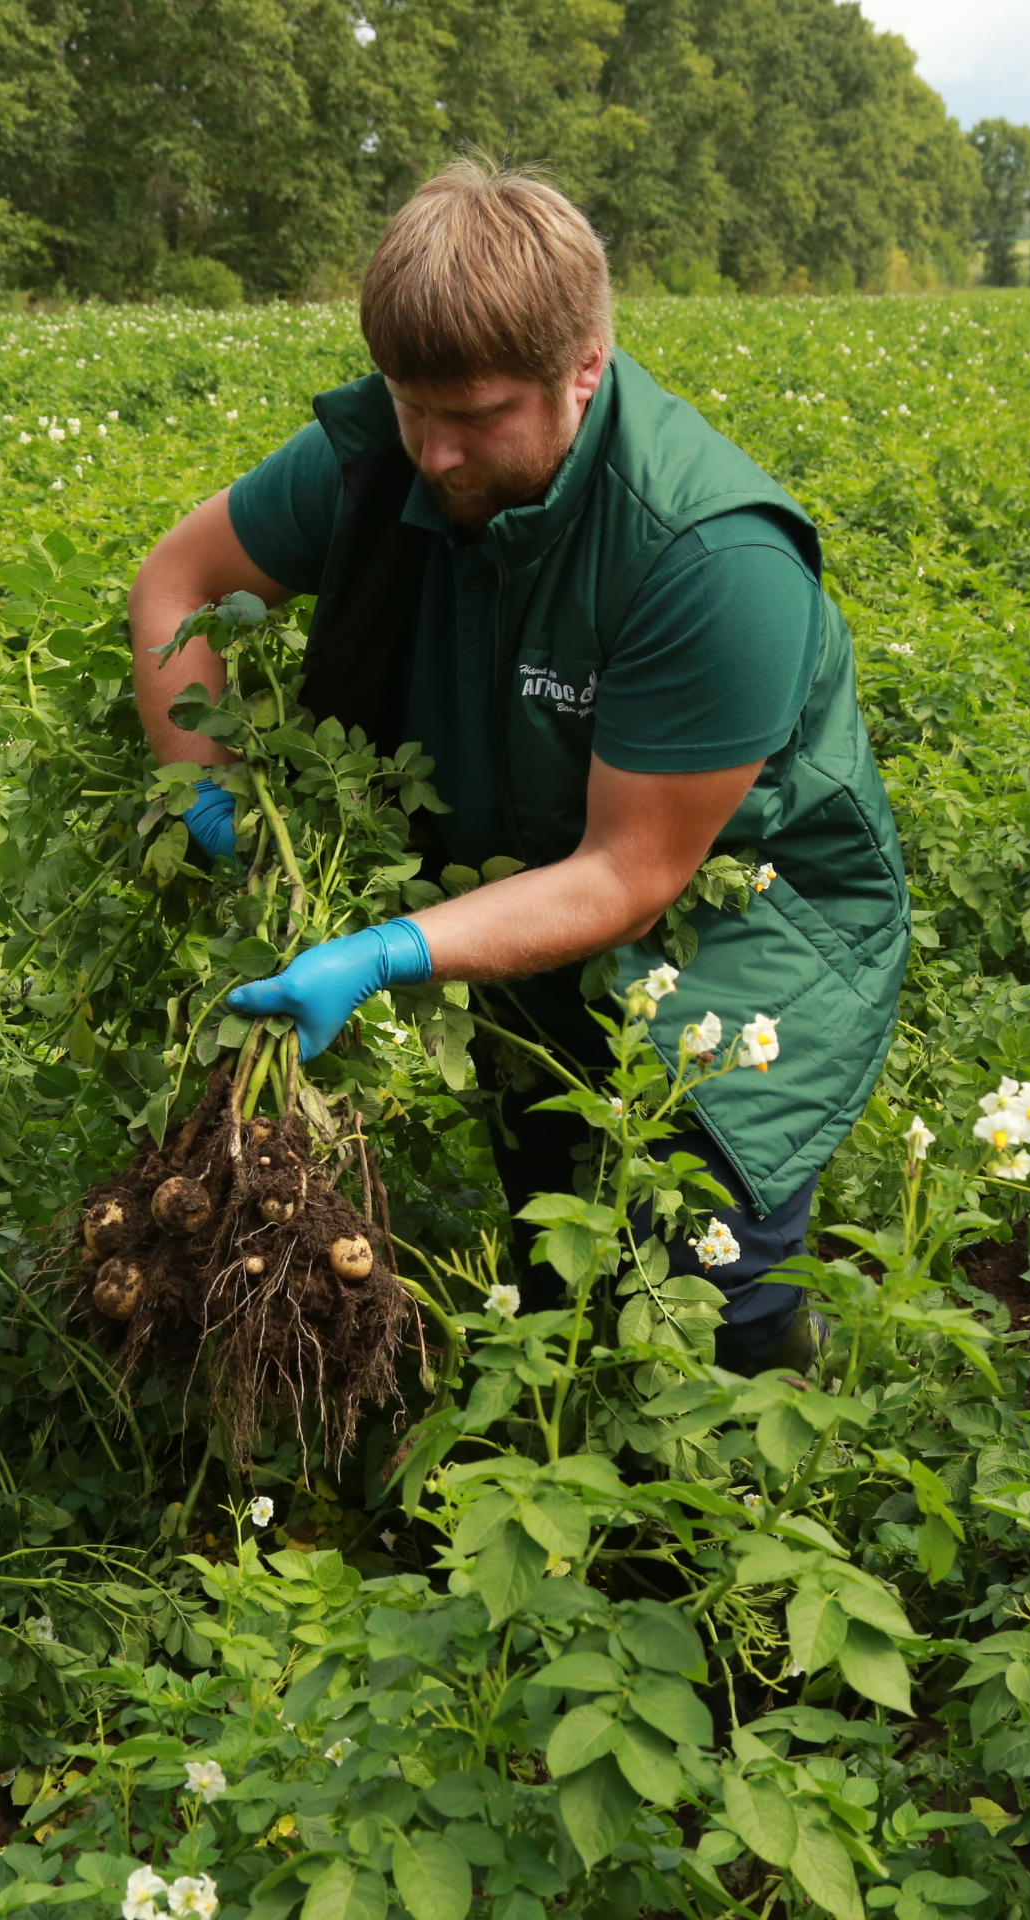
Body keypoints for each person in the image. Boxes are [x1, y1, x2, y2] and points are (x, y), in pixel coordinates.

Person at [125, 157, 907, 1374]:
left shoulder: (711, 559)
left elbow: (628, 875)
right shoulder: (379, 459)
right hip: (521, 897)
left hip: (740, 937)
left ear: (584, 367)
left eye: (478, 416)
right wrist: (207, 779)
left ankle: (762, 1445)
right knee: (557, 1261)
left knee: (709, 1301)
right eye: (410, 406)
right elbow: (177, 582)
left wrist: (389, 951)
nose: (435, 454)